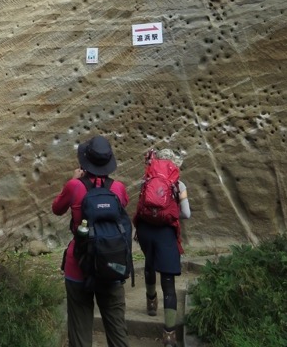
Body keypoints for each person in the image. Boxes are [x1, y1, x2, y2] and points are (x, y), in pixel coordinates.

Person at [52, 135, 131, 347]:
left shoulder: (74, 186)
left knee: (79, 332)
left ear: (85, 162)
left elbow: (57, 208)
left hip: (78, 265)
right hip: (111, 266)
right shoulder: (118, 189)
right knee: (117, 331)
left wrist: (74, 179)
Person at [134, 147, 191, 347]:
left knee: (149, 263)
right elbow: (187, 213)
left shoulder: (147, 180)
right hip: (166, 232)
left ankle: (151, 302)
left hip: (145, 230)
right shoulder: (178, 184)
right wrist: (170, 214)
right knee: (169, 285)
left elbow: (141, 206)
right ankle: (169, 335)